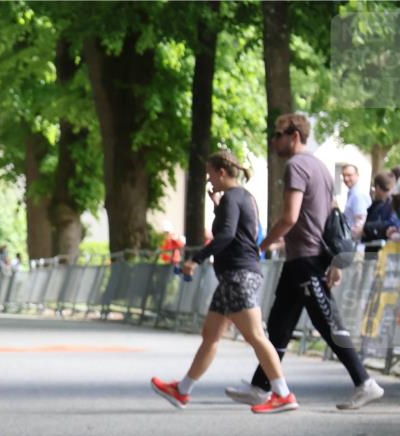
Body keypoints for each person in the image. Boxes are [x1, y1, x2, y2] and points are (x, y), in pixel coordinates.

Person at [226, 113, 384, 411]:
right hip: (302, 257)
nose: (274, 140)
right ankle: (261, 386)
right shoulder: (320, 167)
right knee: (279, 323)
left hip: (306, 260)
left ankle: (365, 382)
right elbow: (327, 213)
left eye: (278, 134)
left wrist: (262, 244)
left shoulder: (296, 166)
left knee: (328, 323)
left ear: (294, 135)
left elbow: (290, 216)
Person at [152, 151, 297, 414]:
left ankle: (283, 394)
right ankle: (182, 390)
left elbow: (227, 235)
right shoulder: (241, 197)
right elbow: (238, 230)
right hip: (235, 275)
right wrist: (218, 206)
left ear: (221, 172)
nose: (209, 179)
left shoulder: (233, 197)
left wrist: (196, 259)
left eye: (210, 173)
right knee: (211, 335)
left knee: (255, 335)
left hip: (238, 275)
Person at [361, 171, 400, 250]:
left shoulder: (389, 204)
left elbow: (390, 223)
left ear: (377, 187)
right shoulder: (382, 203)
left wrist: (367, 228)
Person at [341, 164, 371, 240]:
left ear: (357, 175)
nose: (346, 178)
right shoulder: (353, 193)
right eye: (344, 175)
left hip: (355, 241)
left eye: (349, 175)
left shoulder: (358, 195)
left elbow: (361, 222)